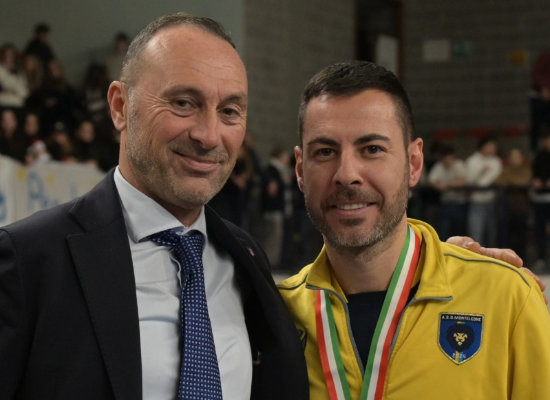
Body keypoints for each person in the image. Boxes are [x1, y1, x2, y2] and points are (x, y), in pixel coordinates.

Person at [0, 13, 308, 400]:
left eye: (229, 111)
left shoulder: (246, 257)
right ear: (119, 106)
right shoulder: (27, 260)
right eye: (183, 103)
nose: (209, 135)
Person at [278, 61, 550, 400]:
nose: (346, 174)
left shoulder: (506, 298)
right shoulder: (275, 316)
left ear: (414, 163)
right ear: (300, 169)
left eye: (372, 149)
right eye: (325, 152)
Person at [466, 135, 503, 247]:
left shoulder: (496, 161)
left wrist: (482, 180)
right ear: (484, 146)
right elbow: (469, 180)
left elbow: (495, 178)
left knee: (492, 235)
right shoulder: (472, 160)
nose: (494, 148)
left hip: (492, 201)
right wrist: (481, 173)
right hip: (477, 201)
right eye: (491, 145)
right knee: (476, 235)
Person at [427, 143, 468, 239]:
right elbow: (431, 180)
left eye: (449, 157)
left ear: (453, 156)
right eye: (445, 158)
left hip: (460, 204)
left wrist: (447, 185)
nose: (447, 160)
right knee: (445, 231)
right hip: (446, 204)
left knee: (460, 232)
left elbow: (463, 180)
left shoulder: (459, 165)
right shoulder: (439, 166)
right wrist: (438, 185)